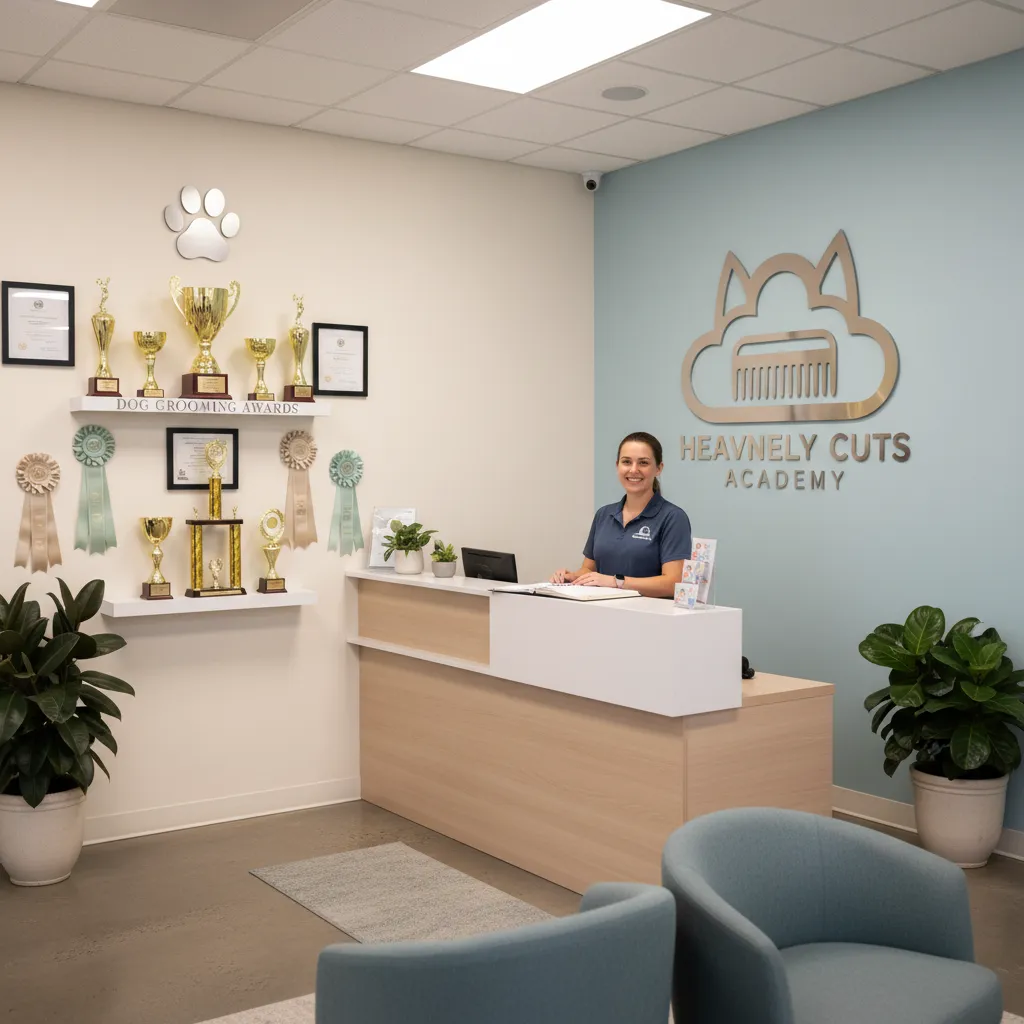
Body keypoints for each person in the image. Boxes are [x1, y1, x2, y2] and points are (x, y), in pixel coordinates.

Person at [550, 431, 691, 598]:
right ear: (617, 465)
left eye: (643, 463)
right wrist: (573, 576)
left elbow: (673, 583)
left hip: (649, 618)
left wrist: (617, 582)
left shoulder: (673, 517)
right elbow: (589, 569)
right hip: (602, 613)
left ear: (659, 468)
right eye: (626, 462)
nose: (633, 470)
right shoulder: (604, 514)